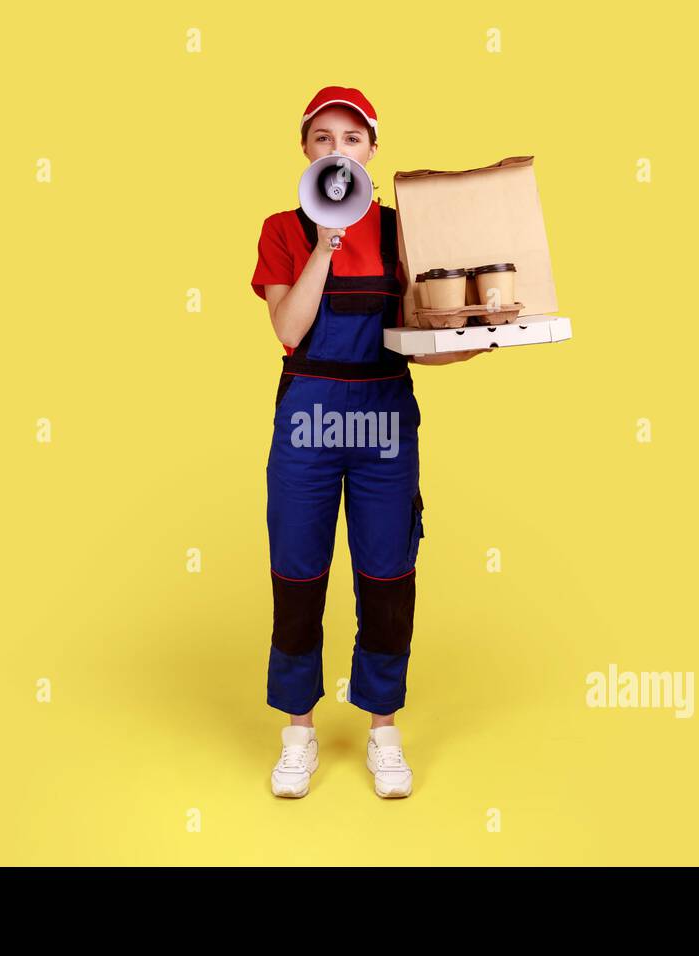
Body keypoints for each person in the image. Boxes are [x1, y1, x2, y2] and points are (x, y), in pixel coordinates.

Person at [250, 86, 489, 798]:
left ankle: (384, 730)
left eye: (351, 138)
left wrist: (478, 340)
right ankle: (299, 733)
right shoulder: (282, 229)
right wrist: (326, 239)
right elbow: (290, 330)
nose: (337, 150)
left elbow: (421, 340)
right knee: (298, 571)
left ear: (372, 150)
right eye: (322, 138)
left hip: (384, 418)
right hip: (308, 419)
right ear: (305, 150)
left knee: (387, 573)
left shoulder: (401, 231)